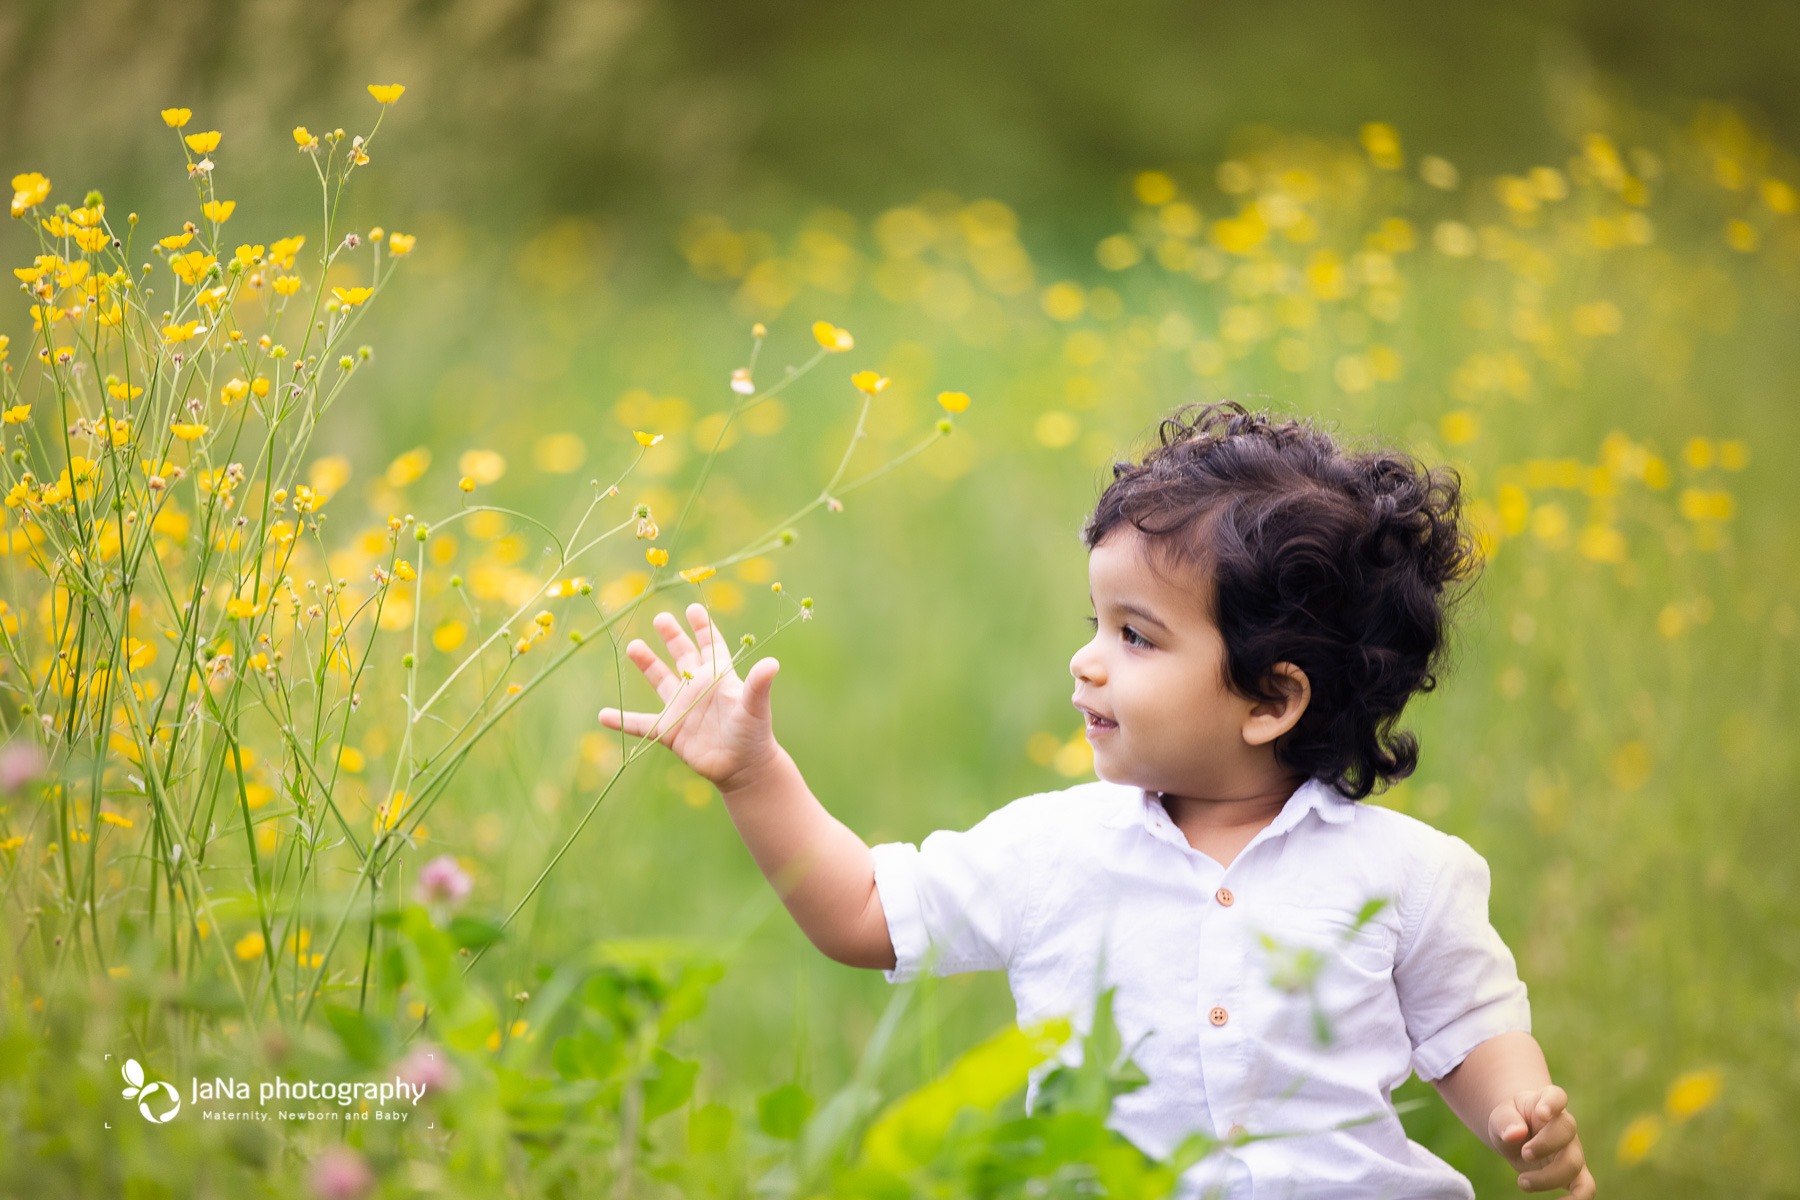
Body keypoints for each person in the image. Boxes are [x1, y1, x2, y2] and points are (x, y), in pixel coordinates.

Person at [599, 402, 1595, 1199]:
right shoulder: (1053, 848)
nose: (1087, 661)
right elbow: (862, 912)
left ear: (1272, 698)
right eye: (1098, 622)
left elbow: (1467, 1030)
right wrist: (753, 772)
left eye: (1137, 636)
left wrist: (1523, 1115)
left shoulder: (1406, 873)